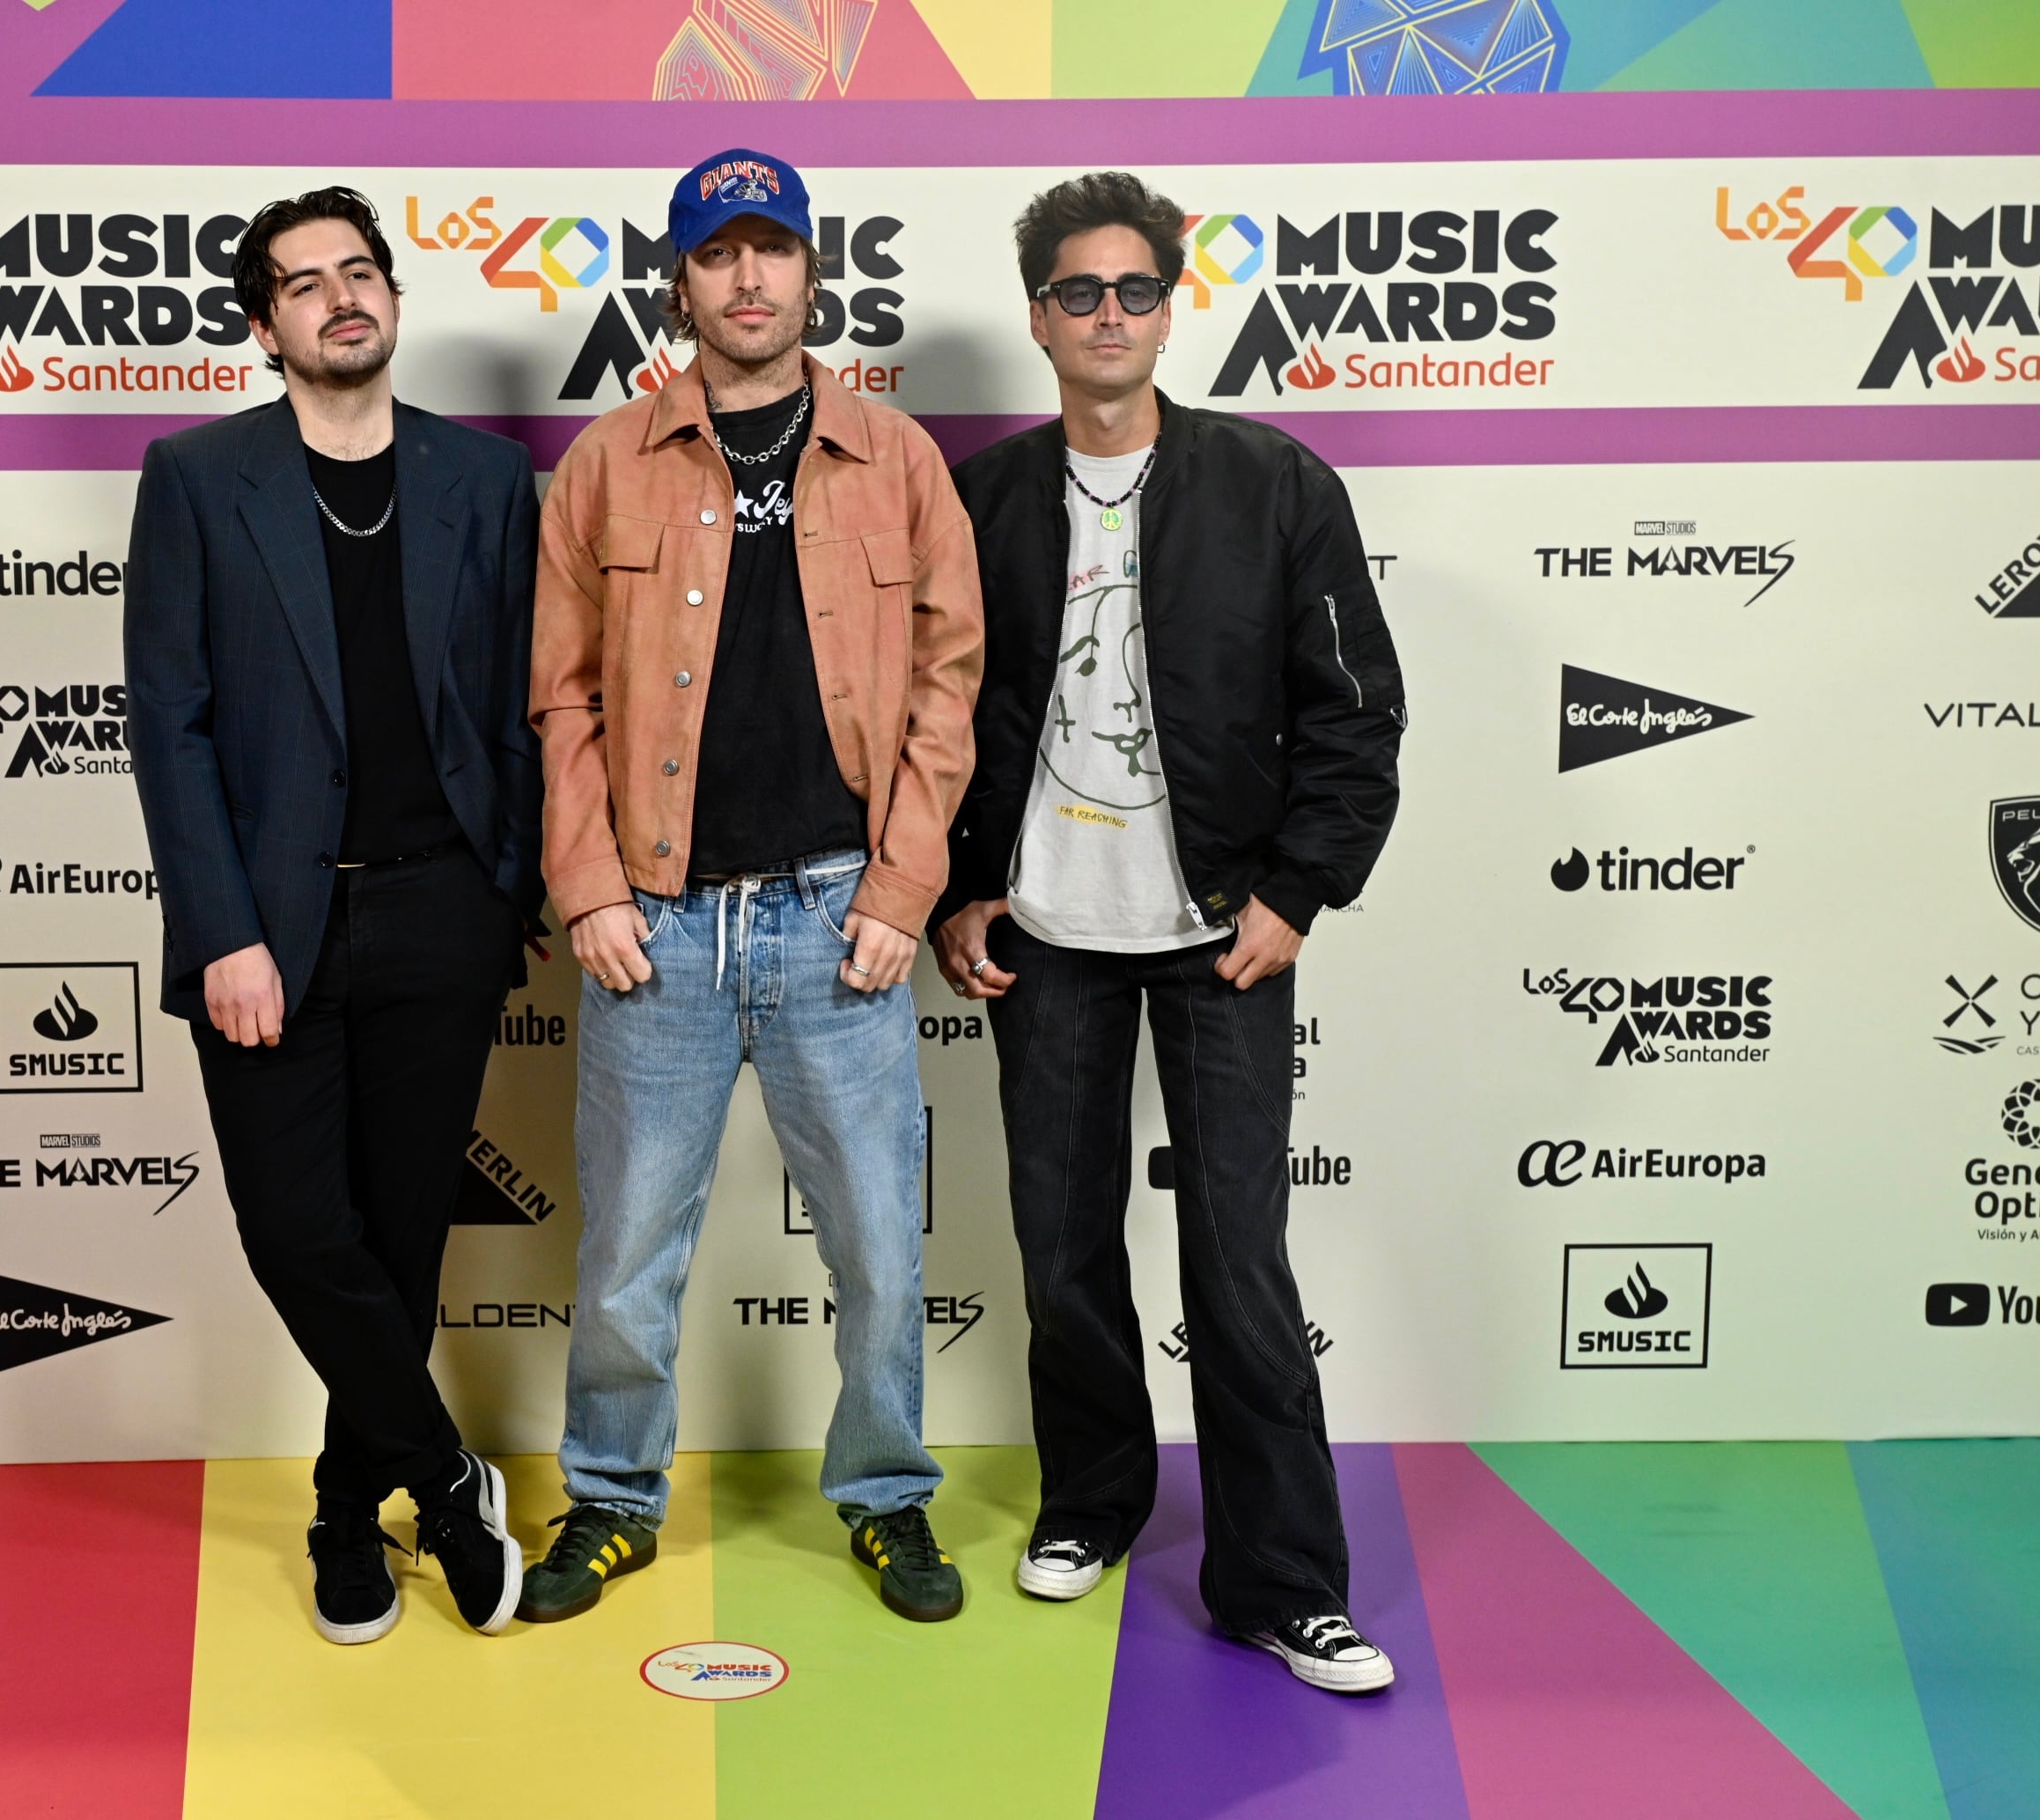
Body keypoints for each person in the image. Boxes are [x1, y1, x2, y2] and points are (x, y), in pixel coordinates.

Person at [931, 172, 1406, 1693]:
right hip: (1049, 936)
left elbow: (1358, 715)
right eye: (1081, 292)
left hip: (1221, 935)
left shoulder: (1275, 483)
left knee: (1238, 1262)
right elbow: (937, 716)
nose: (1111, 316)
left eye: (1137, 290)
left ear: (1169, 305)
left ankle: (1281, 1579)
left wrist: (1294, 894)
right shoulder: (985, 498)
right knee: (1063, 1249)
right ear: (1038, 315)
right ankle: (1093, 1503)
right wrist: (956, 884)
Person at [519, 148, 983, 1625]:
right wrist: (588, 884)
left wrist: (901, 894)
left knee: (878, 1251)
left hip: (836, 917)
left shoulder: (897, 461)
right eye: (718, 255)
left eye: (771, 249)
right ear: (682, 281)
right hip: (656, 923)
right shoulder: (607, 460)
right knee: (628, 1255)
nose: (749, 278)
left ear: (809, 269)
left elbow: (948, 688)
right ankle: (610, 1500)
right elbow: (564, 696)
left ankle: (889, 1498)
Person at [123, 186, 541, 1645]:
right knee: (301, 1232)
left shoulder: (484, 482)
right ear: (266, 327)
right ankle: (441, 1475)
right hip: (273, 937)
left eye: (359, 273)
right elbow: (166, 722)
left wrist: (515, 891)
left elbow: (517, 705)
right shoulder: (195, 476)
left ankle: (345, 1511)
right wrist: (220, 930)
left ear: (392, 298)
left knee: (402, 1242)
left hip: (445, 914)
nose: (338, 298)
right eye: (305, 284)